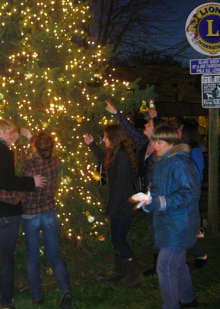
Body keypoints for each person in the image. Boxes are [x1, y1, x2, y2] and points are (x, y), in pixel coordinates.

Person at [0, 130, 72, 309]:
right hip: (49, 212)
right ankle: (65, 290)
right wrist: (33, 138)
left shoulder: (29, 166)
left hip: (31, 215)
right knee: (55, 254)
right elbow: (44, 152)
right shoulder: (55, 161)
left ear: (36, 147)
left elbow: (14, 197)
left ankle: (37, 296)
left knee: (33, 257)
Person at [0, 118, 46, 309]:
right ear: (0, 131)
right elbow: (8, 181)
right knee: (6, 256)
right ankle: (7, 301)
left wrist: (11, 144)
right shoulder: (3, 152)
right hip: (6, 208)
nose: (12, 136)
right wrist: (32, 182)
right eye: (9, 133)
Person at [135, 125, 201, 309]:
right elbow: (157, 191)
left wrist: (160, 202)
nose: (155, 145)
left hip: (180, 223)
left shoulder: (180, 162)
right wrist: (148, 199)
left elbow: (190, 194)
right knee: (178, 263)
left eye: (159, 141)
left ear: (171, 143)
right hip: (168, 224)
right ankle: (188, 301)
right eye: (153, 140)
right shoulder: (162, 161)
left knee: (165, 266)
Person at [105, 99, 164, 275]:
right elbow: (129, 129)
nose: (146, 124)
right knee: (154, 228)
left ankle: (159, 265)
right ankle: (155, 264)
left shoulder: (160, 149)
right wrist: (116, 113)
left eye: (149, 123)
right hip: (143, 194)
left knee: (157, 228)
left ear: (157, 131)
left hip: (155, 196)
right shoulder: (144, 141)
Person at [84, 124, 144, 286]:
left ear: (113, 138)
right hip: (120, 205)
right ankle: (122, 271)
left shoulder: (123, 156)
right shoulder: (116, 153)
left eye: (105, 137)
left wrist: (112, 208)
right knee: (116, 238)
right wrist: (92, 145)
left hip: (124, 205)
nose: (103, 139)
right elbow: (105, 162)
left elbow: (120, 186)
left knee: (118, 239)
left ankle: (134, 274)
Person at [179, 121, 207, 269]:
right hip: (185, 194)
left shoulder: (194, 152)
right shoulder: (183, 149)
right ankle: (199, 255)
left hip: (188, 195)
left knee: (185, 228)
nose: (178, 131)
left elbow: (196, 175)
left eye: (180, 130)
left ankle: (197, 255)